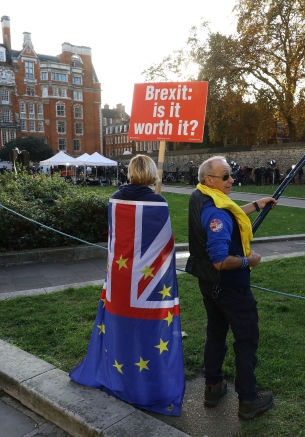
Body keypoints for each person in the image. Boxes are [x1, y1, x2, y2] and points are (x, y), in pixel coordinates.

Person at [70, 154, 185, 415]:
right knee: (148, 331)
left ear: (130, 172)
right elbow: (164, 247)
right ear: (152, 173)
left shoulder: (114, 198)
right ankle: (146, 385)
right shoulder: (158, 203)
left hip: (120, 280)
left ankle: (120, 376)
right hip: (146, 285)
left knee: (120, 329)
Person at [186, 155, 277, 420]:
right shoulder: (216, 214)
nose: (231, 180)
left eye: (231, 174)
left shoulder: (200, 196)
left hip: (208, 286)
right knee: (246, 340)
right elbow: (220, 261)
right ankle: (249, 401)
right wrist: (249, 261)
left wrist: (256, 205)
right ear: (209, 180)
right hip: (230, 286)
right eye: (225, 176)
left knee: (215, 332)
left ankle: (212, 388)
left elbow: (229, 211)